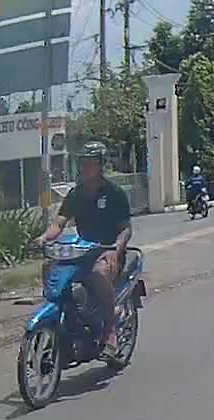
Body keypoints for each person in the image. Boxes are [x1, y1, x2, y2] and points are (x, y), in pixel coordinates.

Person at [34, 141, 133, 357]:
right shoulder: (75, 194)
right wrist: (44, 237)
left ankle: (110, 326)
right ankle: (67, 317)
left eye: (90, 163)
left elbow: (125, 229)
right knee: (51, 268)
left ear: (101, 165)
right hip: (82, 251)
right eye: (83, 163)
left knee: (98, 273)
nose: (85, 167)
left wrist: (116, 248)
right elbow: (59, 222)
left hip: (107, 251)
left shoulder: (114, 193)